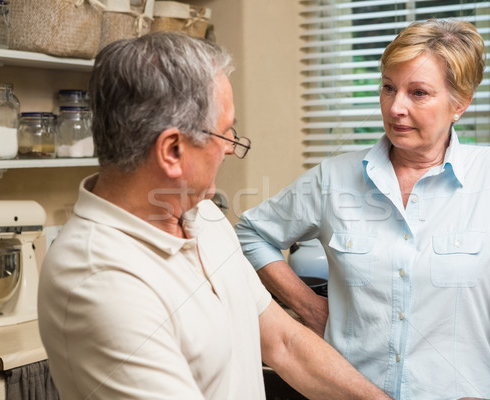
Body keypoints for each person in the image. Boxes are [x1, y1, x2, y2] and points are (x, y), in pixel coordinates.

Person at [235, 18, 490, 400]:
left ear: (460, 103)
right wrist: (309, 306)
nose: (395, 107)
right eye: (388, 87)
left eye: (417, 93)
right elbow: (251, 233)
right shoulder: (334, 177)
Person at [37, 32, 393, 400]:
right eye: (225, 134)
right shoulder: (98, 277)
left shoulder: (202, 215)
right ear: (172, 150)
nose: (230, 149)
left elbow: (283, 342)